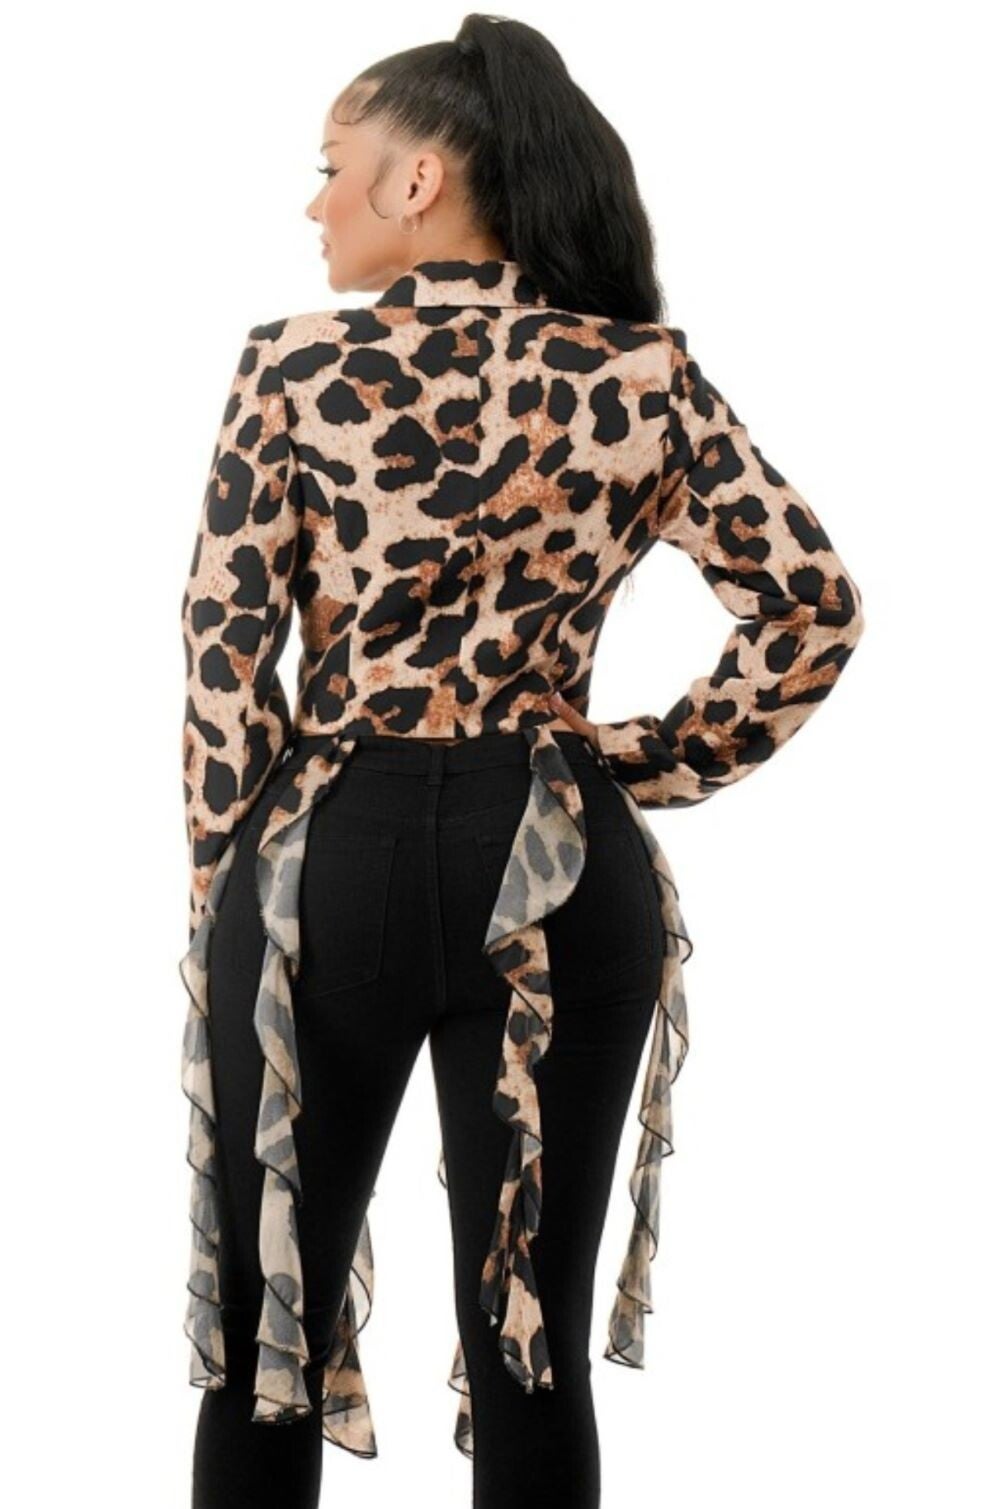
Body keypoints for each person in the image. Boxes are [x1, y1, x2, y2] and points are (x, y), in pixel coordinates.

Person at [178, 15, 866, 1509]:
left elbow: (226, 650)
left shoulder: (293, 369)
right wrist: (625, 762)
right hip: (557, 864)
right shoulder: (641, 375)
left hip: (326, 860)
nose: (315, 201)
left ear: (418, 178)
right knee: (529, 1341)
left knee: (263, 1334)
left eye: (335, 166)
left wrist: (223, 890)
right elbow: (811, 606)